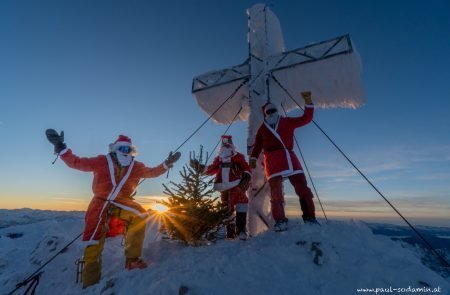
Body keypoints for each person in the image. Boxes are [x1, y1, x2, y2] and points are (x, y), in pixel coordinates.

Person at [45, 130, 180, 288]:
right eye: (122, 149)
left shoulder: (136, 166)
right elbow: (77, 162)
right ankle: (90, 283)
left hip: (123, 201)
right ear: (115, 149)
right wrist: (61, 147)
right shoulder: (102, 161)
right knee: (93, 239)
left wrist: (166, 164)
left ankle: (132, 260)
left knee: (140, 214)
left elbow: (152, 172)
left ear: (131, 151)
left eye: (128, 149)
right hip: (100, 202)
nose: (125, 152)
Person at [249, 92, 318, 232]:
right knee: (277, 193)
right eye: (269, 111)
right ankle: (281, 220)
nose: (272, 113)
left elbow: (306, 118)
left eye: (273, 110)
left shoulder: (283, 122)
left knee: (301, 189)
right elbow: (257, 145)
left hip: (286, 159)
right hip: (275, 161)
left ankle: (308, 218)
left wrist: (308, 102)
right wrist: (253, 158)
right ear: (265, 113)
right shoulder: (265, 128)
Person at [191, 135, 251, 240]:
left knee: (241, 205)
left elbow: (246, 167)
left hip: (237, 186)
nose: (226, 145)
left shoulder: (238, 157)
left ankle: (241, 230)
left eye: (228, 143)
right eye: (224, 143)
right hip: (224, 189)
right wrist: (199, 167)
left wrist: (246, 175)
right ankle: (231, 234)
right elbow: (210, 169)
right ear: (221, 146)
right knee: (227, 210)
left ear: (232, 145)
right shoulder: (219, 159)